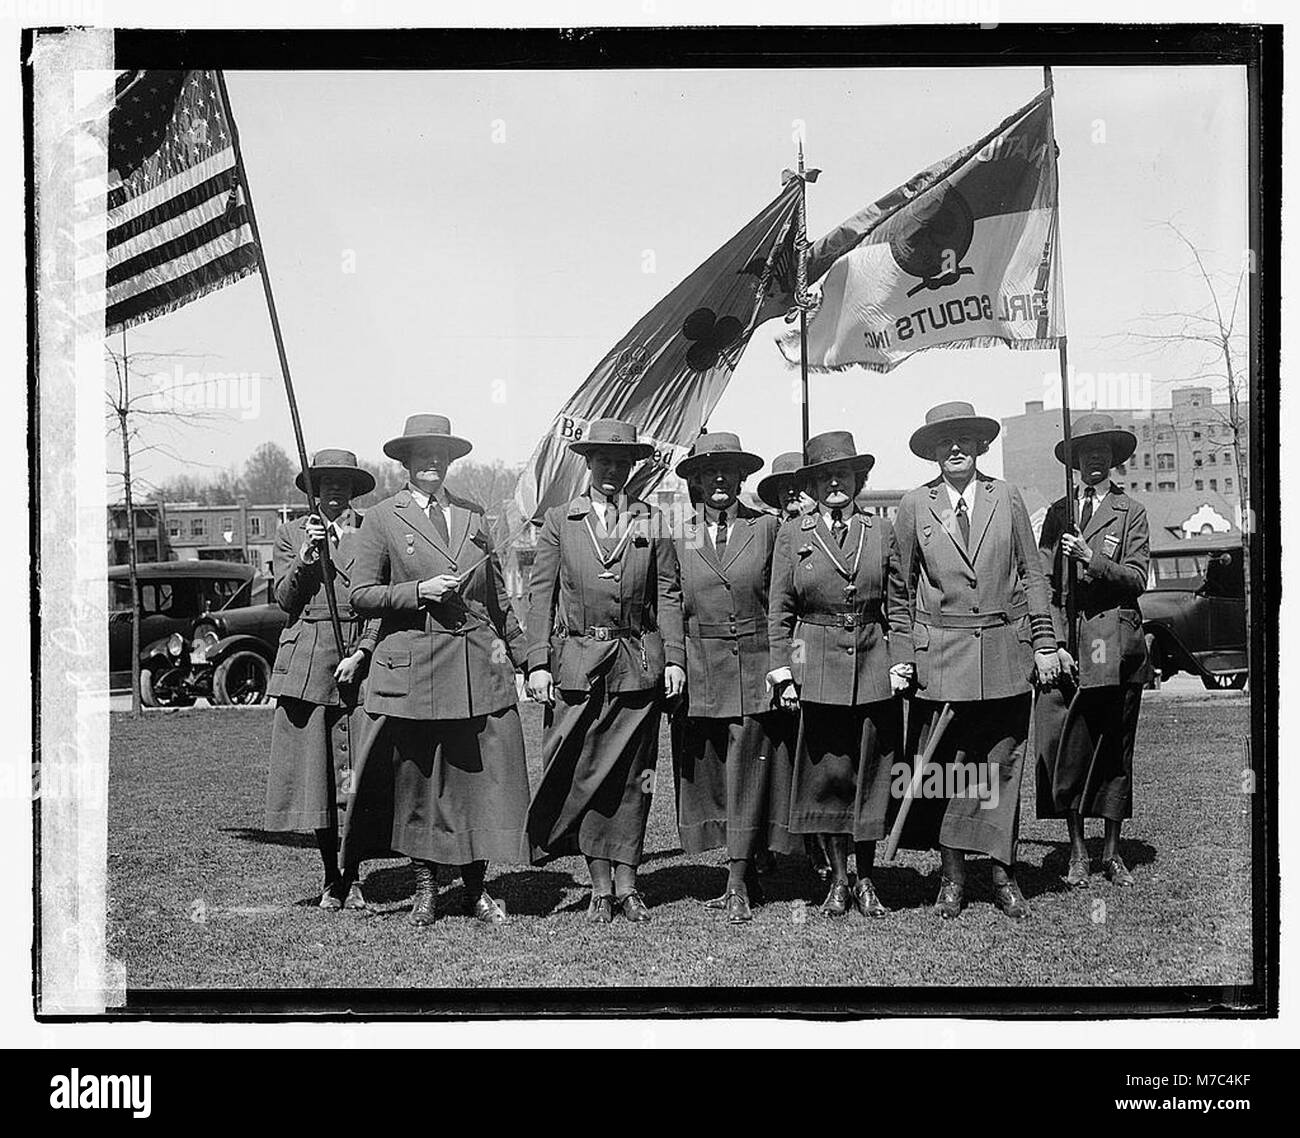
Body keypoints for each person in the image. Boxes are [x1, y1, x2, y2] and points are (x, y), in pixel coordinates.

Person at [344, 414, 530, 926]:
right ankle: (426, 888)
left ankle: (476, 890)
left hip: (475, 670)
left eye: (440, 455)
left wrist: (529, 657)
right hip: (416, 672)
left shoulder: (474, 515)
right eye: (422, 455)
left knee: (476, 783)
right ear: (405, 463)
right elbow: (360, 596)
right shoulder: (382, 517)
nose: (432, 463)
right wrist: (416, 592)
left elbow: (497, 600)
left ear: (451, 462)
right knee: (421, 785)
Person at [893, 401, 1058, 920]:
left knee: (1001, 767)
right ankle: (952, 878)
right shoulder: (914, 505)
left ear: (980, 445)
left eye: (964, 438)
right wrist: (904, 655)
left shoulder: (1005, 496)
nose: (956, 448)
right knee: (946, 771)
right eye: (945, 441)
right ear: (933, 451)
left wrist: (1046, 642)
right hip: (939, 659)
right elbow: (899, 590)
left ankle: (1004, 877)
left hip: (1005, 655)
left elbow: (1034, 575)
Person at [524, 418, 686, 925]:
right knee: (585, 772)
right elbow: (540, 597)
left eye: (622, 462)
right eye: (604, 460)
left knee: (634, 778)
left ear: (633, 466)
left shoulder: (652, 519)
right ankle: (599, 885)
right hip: (577, 666)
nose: (613, 470)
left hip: (637, 667)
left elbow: (670, 595)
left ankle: (630, 883)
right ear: (588, 463)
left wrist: (675, 658)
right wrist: (537, 663)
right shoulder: (559, 520)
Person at [767, 431, 914, 918]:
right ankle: (837, 880)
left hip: (873, 660)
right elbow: (780, 609)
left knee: (871, 774)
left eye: (844, 474)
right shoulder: (794, 534)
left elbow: (899, 603)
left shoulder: (880, 530)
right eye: (825, 475)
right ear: (812, 484)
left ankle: (867, 879)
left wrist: (901, 659)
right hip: (818, 664)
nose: (835, 483)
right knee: (829, 774)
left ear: (858, 479)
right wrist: (782, 670)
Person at [670, 432, 790, 924]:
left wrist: (785, 663)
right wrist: (674, 659)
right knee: (713, 776)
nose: (719, 479)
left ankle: (737, 881)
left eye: (729, 471)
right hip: (699, 667)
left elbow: (782, 600)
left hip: (753, 665)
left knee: (748, 769)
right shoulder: (679, 533)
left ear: (743, 478)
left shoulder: (766, 529)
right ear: (696, 481)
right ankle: (747, 861)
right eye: (708, 472)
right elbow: (669, 601)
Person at [1033, 413, 1151, 888]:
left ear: (1114, 459)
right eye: (1087, 452)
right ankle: (1077, 851)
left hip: (1116, 644)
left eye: (1103, 452)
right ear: (1076, 460)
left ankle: (1112, 851)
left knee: (1114, 750)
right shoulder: (1060, 513)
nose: (1095, 459)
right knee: (1069, 746)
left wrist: (1092, 559)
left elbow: (1138, 578)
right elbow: (1042, 578)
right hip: (1071, 646)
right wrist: (1052, 641)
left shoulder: (1132, 511)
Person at [264, 449, 380, 910]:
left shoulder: (372, 531)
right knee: (320, 777)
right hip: (310, 664)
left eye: (341, 483)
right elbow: (285, 600)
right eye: (324, 482)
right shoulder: (291, 534)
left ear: (353, 489)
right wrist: (309, 556)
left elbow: (377, 600)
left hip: (357, 658)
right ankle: (332, 876)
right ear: (313, 490)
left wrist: (365, 648)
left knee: (357, 774)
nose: (333, 490)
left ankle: (353, 874)